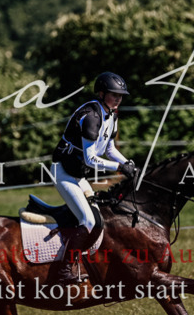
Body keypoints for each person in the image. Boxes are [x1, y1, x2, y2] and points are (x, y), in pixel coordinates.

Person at [50, 72, 138, 283]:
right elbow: (90, 159)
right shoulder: (91, 116)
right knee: (88, 220)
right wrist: (119, 167)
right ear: (101, 93)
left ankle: (88, 261)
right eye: (113, 94)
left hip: (79, 174)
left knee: (100, 216)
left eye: (120, 95)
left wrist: (127, 163)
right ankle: (63, 270)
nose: (118, 99)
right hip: (64, 173)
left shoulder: (112, 114)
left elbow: (109, 149)